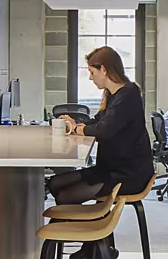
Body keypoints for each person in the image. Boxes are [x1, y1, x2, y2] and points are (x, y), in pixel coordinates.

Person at [48, 46, 154, 217]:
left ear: (103, 70)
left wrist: (79, 129)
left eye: (92, 72)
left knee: (65, 195)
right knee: (54, 183)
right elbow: (98, 121)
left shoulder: (129, 94)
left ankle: (94, 241)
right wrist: (76, 125)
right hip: (110, 167)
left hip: (128, 173)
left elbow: (104, 130)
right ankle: (93, 242)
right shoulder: (113, 95)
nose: (90, 77)